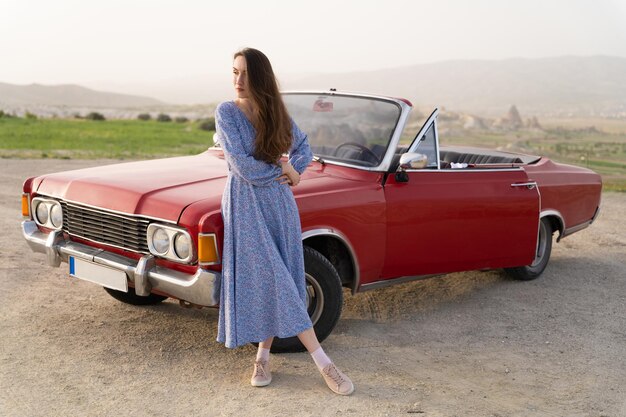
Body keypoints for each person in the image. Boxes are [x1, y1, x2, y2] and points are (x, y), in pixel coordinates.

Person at [213, 47, 354, 396]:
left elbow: (304, 147)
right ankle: (324, 362)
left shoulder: (277, 113)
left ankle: (262, 356)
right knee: (272, 278)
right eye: (234, 72)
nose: (238, 81)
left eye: (245, 73)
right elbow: (242, 167)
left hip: (279, 205)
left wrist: (295, 170)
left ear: (261, 78)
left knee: (283, 277)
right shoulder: (226, 112)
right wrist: (284, 170)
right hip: (245, 205)